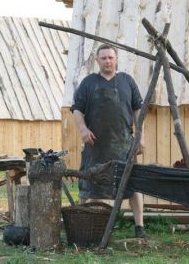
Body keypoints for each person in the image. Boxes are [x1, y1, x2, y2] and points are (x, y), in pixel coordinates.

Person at [71, 44, 146, 238]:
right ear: (97, 61)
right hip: (95, 147)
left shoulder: (127, 81)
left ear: (116, 59)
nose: (107, 61)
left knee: (133, 186)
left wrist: (140, 137)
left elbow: (138, 110)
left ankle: (139, 227)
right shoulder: (88, 82)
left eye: (111, 58)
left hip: (123, 146)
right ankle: (83, 224)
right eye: (103, 58)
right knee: (87, 186)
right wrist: (83, 129)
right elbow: (77, 109)